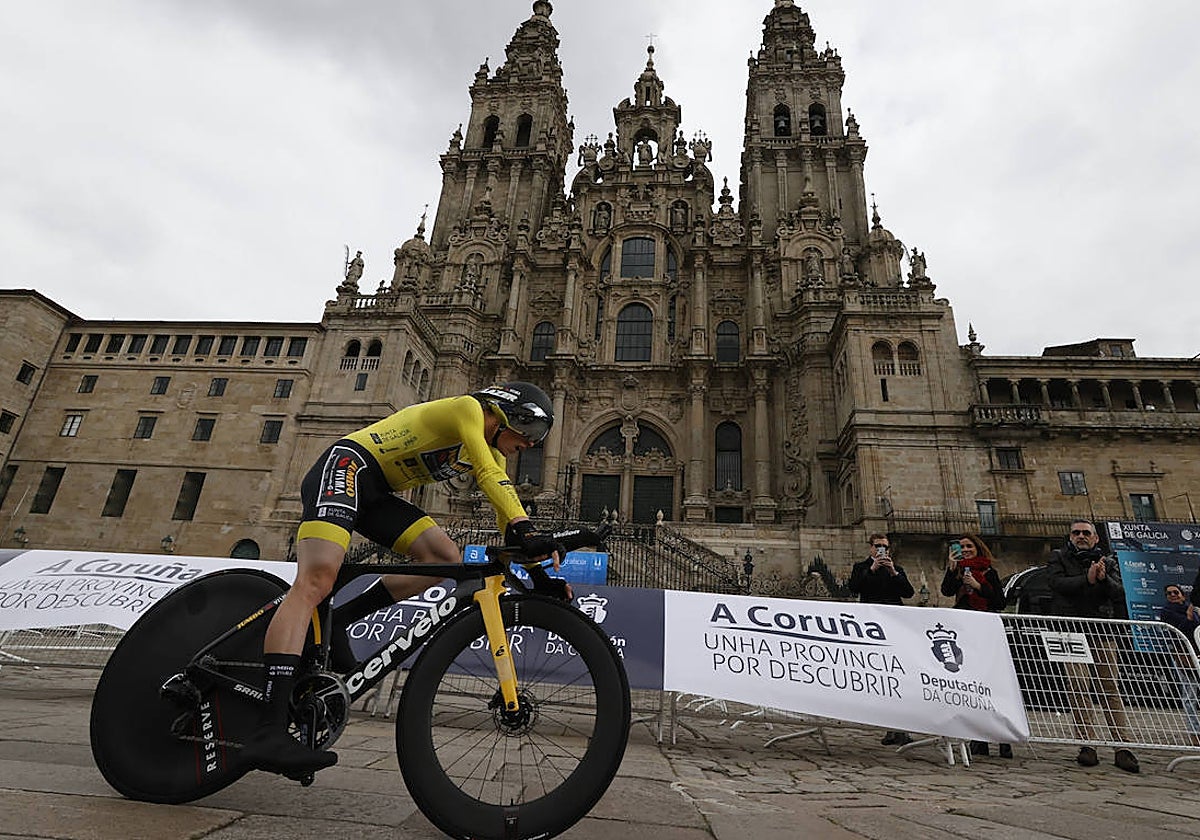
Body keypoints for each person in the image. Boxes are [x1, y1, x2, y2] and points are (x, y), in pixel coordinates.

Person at [241, 382, 562, 775]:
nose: (530, 444)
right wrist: (526, 527)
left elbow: (502, 508)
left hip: (376, 493)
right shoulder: (467, 409)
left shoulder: (491, 448)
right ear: (509, 413)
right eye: (530, 432)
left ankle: (340, 618)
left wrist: (537, 571)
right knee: (316, 580)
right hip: (347, 467)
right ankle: (267, 730)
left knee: (442, 558)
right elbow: (488, 472)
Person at [1047, 519, 1139, 773]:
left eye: (1086, 533)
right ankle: (1087, 743)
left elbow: (1120, 592)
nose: (1081, 536)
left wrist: (1102, 579)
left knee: (1110, 686)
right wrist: (1086, 579)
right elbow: (1056, 584)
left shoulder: (1107, 561)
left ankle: (1122, 746)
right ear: (1070, 537)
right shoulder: (1058, 558)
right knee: (1078, 687)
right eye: (1076, 533)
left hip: (1102, 630)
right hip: (1069, 632)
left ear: (1096, 538)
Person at [939, 533, 1011, 759]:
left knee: (993, 686)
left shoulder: (989, 572)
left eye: (969, 546)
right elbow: (947, 592)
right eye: (961, 547)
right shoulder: (958, 571)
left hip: (986, 630)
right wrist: (952, 569)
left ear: (978, 548)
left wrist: (979, 586)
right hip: (965, 632)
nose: (965, 549)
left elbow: (999, 601)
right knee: (972, 685)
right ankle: (978, 737)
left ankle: (1001, 738)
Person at [849, 533, 915, 746]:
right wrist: (873, 569)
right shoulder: (861, 568)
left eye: (884, 546)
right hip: (871, 629)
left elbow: (908, 592)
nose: (881, 550)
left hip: (895, 627)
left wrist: (893, 571)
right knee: (883, 680)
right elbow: (855, 587)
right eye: (877, 546)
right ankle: (890, 726)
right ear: (870, 548)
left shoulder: (897, 570)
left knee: (899, 679)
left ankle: (901, 728)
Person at [1159, 583, 1200, 739]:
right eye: (1169, 593)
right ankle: (1194, 733)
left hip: (1197, 652)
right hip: (1183, 655)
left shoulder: (1193, 609)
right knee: (1190, 695)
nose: (1173, 595)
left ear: (1183, 594)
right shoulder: (1167, 612)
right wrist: (1189, 618)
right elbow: (1181, 630)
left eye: (1176, 592)